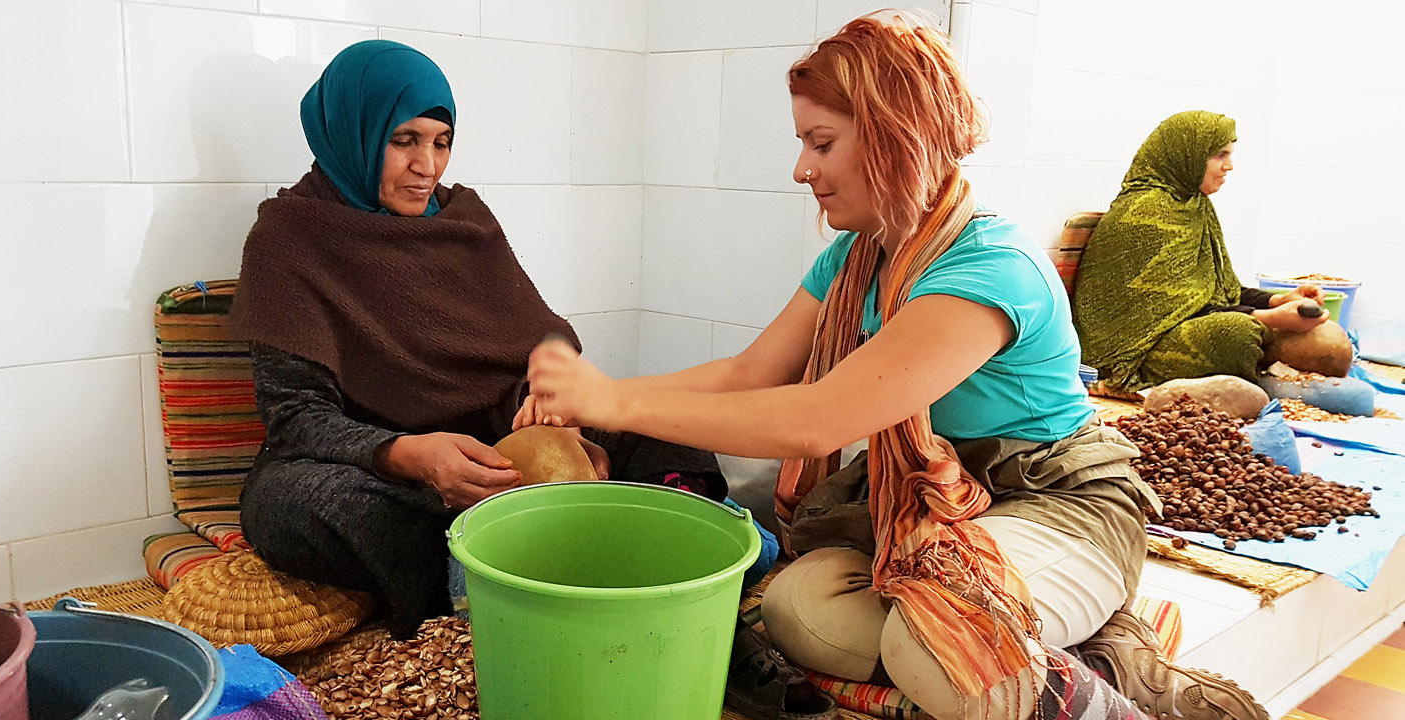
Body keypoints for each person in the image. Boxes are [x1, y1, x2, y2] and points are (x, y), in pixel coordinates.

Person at [520, 14, 1268, 720]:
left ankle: (1095, 675)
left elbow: (818, 417)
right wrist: (600, 395)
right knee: (796, 612)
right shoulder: (855, 256)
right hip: (936, 502)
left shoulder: (988, 268)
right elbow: (754, 370)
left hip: (1055, 503)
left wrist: (614, 406)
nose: (800, 169)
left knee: (942, 651)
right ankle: (1087, 651)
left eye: (821, 142)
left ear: (892, 138)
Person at [228, 39, 728, 639]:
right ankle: (541, 546)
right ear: (352, 134)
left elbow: (539, 333)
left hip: (506, 439)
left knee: (660, 421)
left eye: (441, 142)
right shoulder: (289, 237)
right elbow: (297, 418)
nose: (428, 167)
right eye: (404, 140)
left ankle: (656, 538)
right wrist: (410, 456)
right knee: (292, 506)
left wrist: (554, 398)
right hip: (389, 468)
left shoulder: (465, 218)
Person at [1073, 110, 1327, 393]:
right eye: (1219, 155)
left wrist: (1277, 300)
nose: (1229, 166)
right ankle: (1263, 382)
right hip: (1133, 353)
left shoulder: (1195, 206)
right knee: (1239, 334)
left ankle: (1265, 380)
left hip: (1177, 329)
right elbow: (1175, 311)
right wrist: (1265, 318)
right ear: (1187, 155)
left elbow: (1215, 291)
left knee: (1321, 337)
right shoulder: (1146, 214)